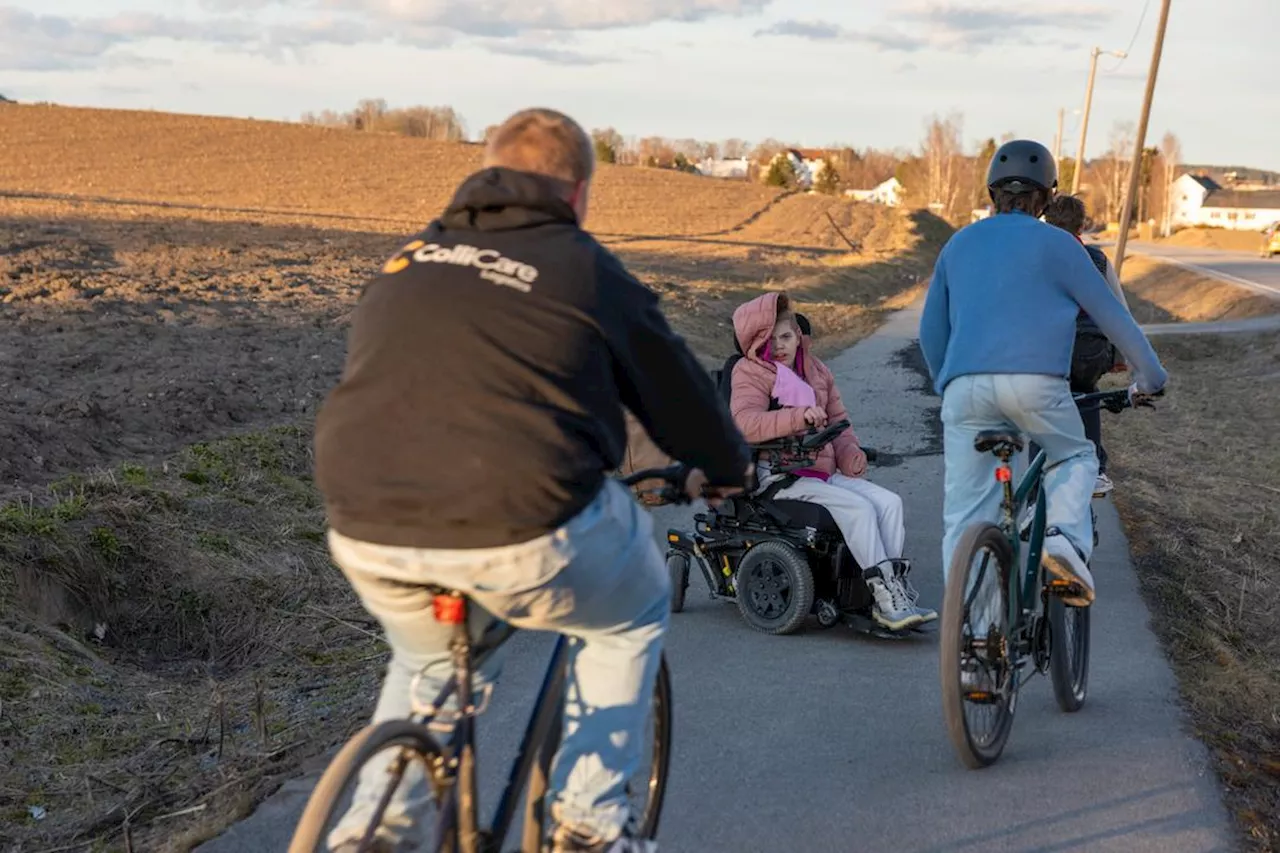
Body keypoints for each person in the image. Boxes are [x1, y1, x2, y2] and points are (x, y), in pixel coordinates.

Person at [312, 107, 752, 853]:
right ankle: (586, 824)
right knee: (630, 607)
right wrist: (728, 468)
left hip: (364, 522)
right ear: (577, 191)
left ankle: (374, 832)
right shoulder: (583, 267)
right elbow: (678, 395)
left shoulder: (411, 257)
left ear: (483, 171)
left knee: (427, 659)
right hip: (521, 521)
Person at [919, 139, 1168, 608]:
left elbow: (931, 331)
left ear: (993, 194)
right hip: (1038, 386)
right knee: (1075, 458)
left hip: (964, 390)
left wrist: (946, 384)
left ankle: (974, 650)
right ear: (1048, 198)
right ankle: (1061, 541)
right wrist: (1150, 377)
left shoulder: (959, 243)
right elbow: (1114, 317)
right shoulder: (1060, 244)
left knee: (967, 517)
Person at [728, 291, 936, 630]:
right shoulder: (750, 372)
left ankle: (890, 591)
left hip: (820, 474)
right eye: (769, 339)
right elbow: (745, 424)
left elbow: (839, 423)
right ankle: (884, 597)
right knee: (859, 508)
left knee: (890, 503)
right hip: (780, 477)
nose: (779, 345)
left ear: (798, 335)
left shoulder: (817, 371)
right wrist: (797, 417)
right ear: (755, 342)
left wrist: (849, 453)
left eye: (785, 336)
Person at [1041, 193, 1133, 496]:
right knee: (1086, 394)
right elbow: (1119, 311)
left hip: (1046, 349)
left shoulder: (1035, 255)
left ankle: (1034, 494)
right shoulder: (1096, 258)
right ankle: (1094, 472)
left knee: (1040, 411)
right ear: (1081, 226)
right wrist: (1122, 358)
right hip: (1088, 353)